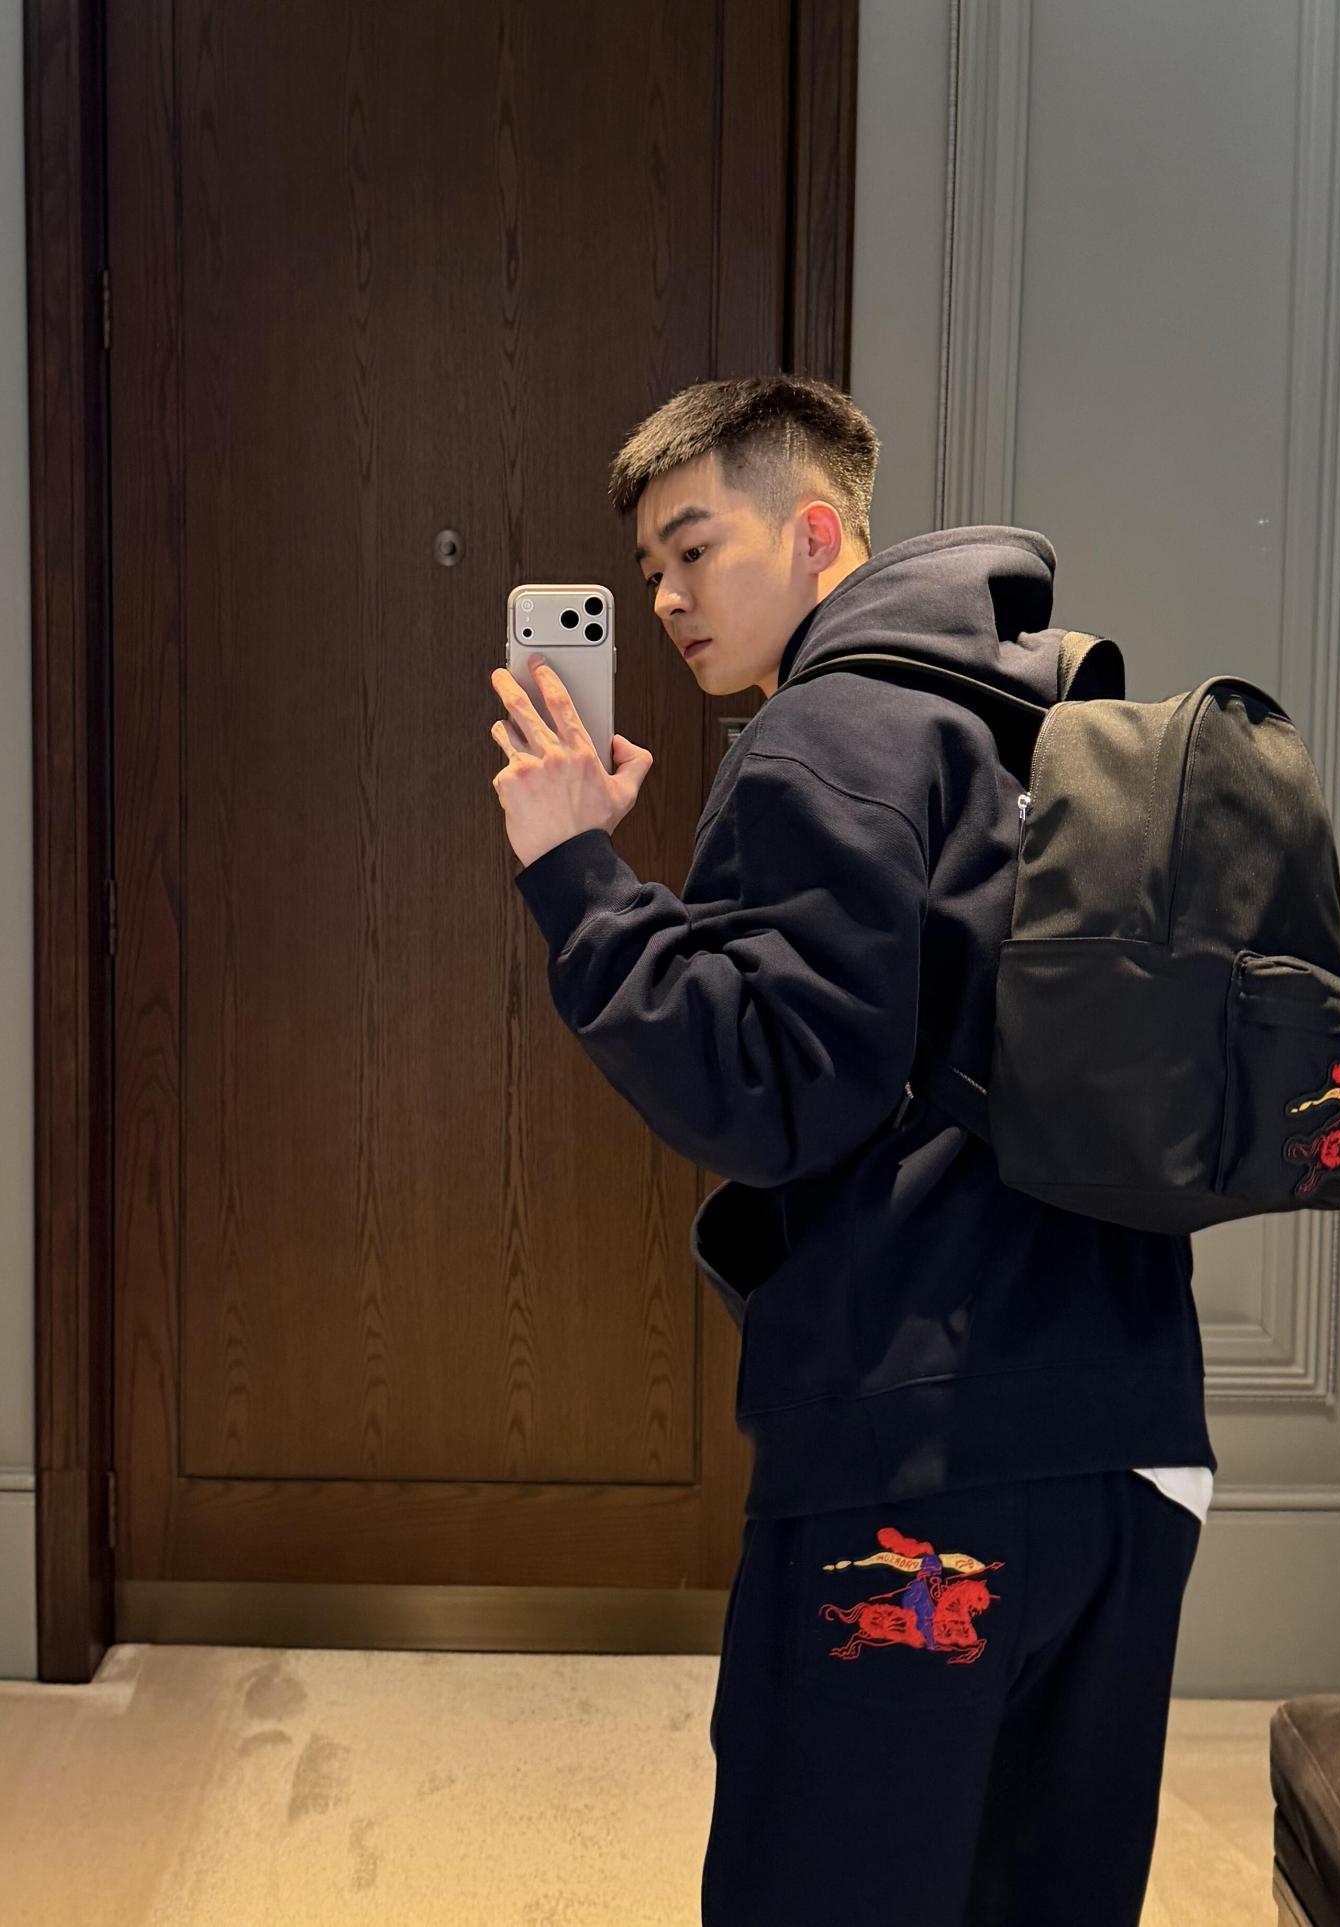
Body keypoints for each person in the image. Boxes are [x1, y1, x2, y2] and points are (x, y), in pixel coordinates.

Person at [489, 374, 1215, 1924]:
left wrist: (575, 876)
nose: (665, 597)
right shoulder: (1054, 720)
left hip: (924, 1464)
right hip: (1135, 1444)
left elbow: (767, 1091)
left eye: (695, 547)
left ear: (815, 533)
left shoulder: (823, 732)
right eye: (647, 569)